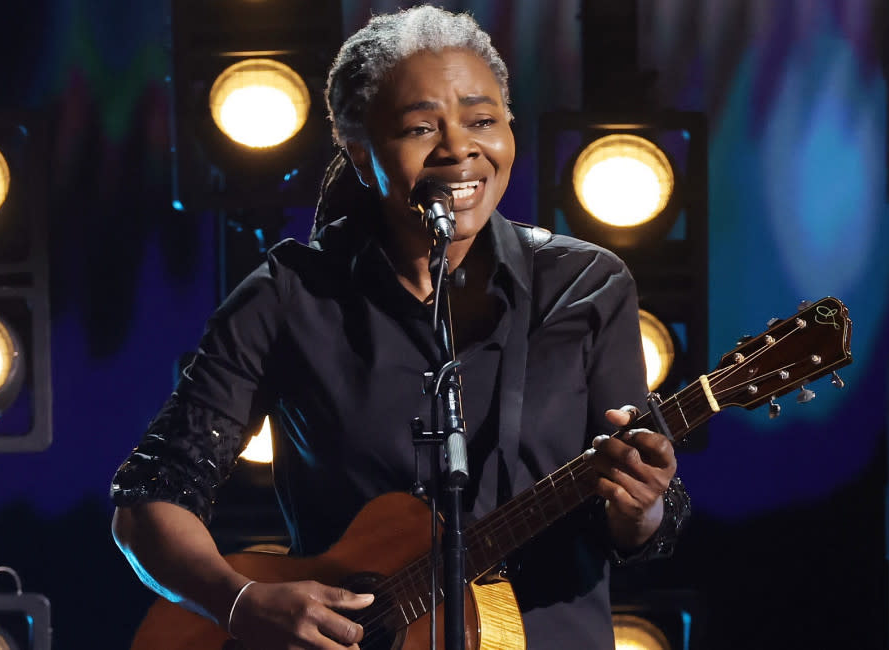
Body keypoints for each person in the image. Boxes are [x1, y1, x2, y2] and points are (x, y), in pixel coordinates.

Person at [111, 5, 690, 649]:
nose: (459, 148)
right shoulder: (288, 296)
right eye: (421, 127)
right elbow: (150, 499)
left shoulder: (588, 287)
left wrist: (642, 504)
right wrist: (239, 601)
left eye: (483, 120)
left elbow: (636, 526)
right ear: (360, 151)